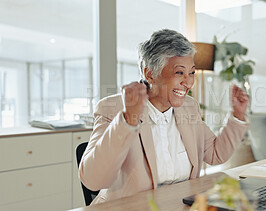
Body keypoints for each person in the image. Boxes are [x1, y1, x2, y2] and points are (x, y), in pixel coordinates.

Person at [79, 29, 250, 204]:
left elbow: (215, 154)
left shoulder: (189, 107)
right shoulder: (113, 108)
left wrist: (237, 115)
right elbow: (93, 181)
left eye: (191, 72)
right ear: (150, 74)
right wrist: (127, 120)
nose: (189, 82)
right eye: (179, 73)